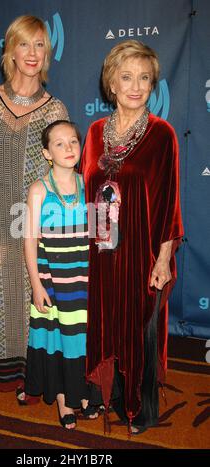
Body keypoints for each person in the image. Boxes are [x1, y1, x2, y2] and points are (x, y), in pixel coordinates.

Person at [0, 15, 69, 414]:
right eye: (25, 45)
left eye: (40, 46)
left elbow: (61, 171)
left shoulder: (55, 108)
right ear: (11, 51)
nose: (32, 54)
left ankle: (29, 379)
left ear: (47, 54)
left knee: (27, 305)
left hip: (30, 224)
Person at [79, 40, 183, 434]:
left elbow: (170, 201)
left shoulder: (162, 135)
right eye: (127, 77)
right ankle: (110, 396)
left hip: (143, 251)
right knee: (105, 324)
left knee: (139, 329)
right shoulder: (91, 133)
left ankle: (141, 408)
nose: (136, 86)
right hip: (101, 252)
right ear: (112, 82)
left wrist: (162, 258)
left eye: (144, 78)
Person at [24, 120, 101, 429]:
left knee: (82, 340)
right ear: (46, 153)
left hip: (83, 281)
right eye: (59, 143)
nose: (69, 148)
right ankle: (63, 400)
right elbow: (29, 239)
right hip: (53, 282)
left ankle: (82, 393)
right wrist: (36, 284)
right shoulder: (38, 190)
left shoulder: (91, 184)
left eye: (73, 141)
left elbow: (100, 235)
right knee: (58, 340)